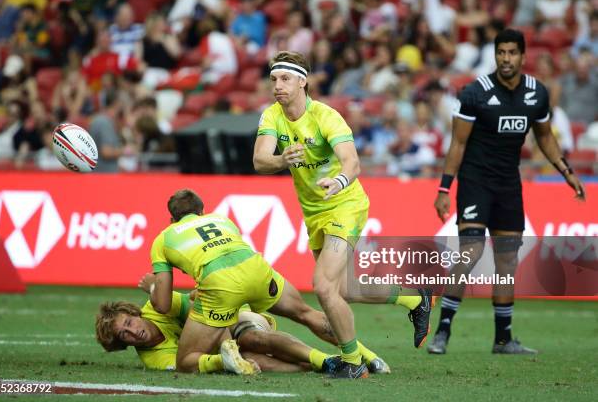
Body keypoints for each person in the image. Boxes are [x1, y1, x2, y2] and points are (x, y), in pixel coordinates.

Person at [253, 51, 433, 378]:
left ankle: (352, 363)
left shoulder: (327, 117)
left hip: (345, 204)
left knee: (323, 286)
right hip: (314, 212)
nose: (277, 86)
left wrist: (338, 180)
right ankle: (413, 297)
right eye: (274, 79)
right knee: (344, 289)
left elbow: (352, 162)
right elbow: (260, 160)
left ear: (303, 82)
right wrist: (282, 161)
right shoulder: (271, 117)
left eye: (285, 79)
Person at [429, 29, 586, 355]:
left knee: (507, 260)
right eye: (501, 52)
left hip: (508, 186)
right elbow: (457, 143)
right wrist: (445, 188)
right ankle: (443, 329)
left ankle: (503, 339)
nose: (506, 58)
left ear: (523, 56)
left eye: (512, 52)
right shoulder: (475, 93)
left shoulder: (536, 93)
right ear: (496, 55)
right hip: (475, 183)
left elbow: (544, 137)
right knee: (470, 253)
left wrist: (567, 172)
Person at [148, 189, 389, 376]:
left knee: (186, 361)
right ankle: (367, 357)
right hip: (258, 269)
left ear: (171, 219)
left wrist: (152, 287)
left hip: (220, 285)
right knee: (305, 312)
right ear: (202, 211)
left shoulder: (163, 239)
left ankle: (223, 360)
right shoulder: (221, 220)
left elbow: (161, 304)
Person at [96, 286, 338, 374]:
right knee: (247, 358)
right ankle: (311, 367)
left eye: (128, 323)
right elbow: (195, 363)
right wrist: (226, 360)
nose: (132, 332)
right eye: (123, 335)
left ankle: (327, 359)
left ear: (134, 313)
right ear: (122, 344)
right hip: (224, 343)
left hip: (234, 317)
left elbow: (199, 304)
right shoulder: (154, 360)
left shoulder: (158, 306)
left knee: (250, 339)